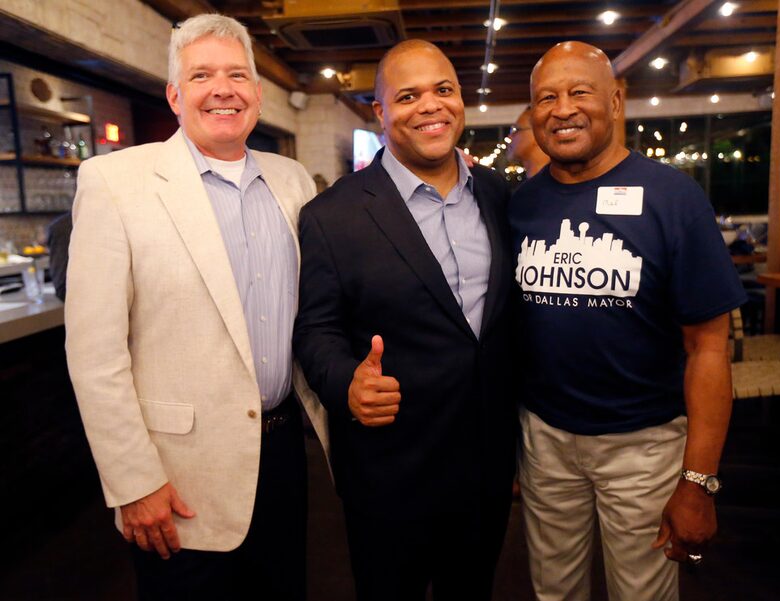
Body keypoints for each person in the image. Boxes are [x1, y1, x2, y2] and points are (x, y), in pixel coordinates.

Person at [64, 14, 327, 601]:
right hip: (178, 475)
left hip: (283, 454)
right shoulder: (114, 181)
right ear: (174, 94)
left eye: (238, 74)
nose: (223, 89)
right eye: (202, 75)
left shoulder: (292, 182)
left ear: (259, 93)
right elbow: (94, 353)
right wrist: (134, 481)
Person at [509, 41, 747, 601]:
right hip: (543, 438)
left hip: (643, 446)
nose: (562, 108)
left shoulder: (673, 197)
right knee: (552, 592)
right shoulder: (520, 203)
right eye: (546, 97)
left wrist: (698, 482)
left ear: (617, 100)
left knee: (641, 594)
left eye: (579, 92)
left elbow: (709, 348)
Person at [293, 40, 516, 601]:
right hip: (389, 470)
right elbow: (315, 329)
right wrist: (346, 383)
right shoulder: (331, 216)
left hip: (484, 466)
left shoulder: (496, 195)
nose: (430, 107)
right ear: (381, 111)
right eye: (408, 96)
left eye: (443, 90)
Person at [507, 105, 549, 177]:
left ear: (539, 134)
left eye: (516, 129)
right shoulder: (530, 186)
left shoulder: (556, 186)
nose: (509, 137)